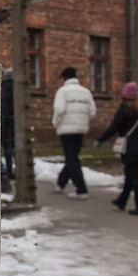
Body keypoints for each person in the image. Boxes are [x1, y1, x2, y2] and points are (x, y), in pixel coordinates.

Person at [95, 82, 138, 216]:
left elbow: (114, 127)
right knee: (131, 174)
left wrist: (101, 139)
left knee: (134, 176)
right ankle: (122, 200)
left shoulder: (125, 110)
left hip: (130, 146)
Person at [52, 66, 97, 199]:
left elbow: (59, 110)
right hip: (81, 129)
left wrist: (56, 123)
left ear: (65, 78)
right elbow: (92, 111)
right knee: (72, 158)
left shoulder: (62, 91)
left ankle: (81, 189)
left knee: (71, 158)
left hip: (66, 130)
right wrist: (83, 121)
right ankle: (60, 183)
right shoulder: (86, 92)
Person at [1, 68, 15, 180]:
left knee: (7, 146)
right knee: (15, 145)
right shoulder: (18, 88)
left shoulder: (3, 87)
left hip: (5, 119)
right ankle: (18, 169)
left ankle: (9, 170)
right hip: (15, 119)